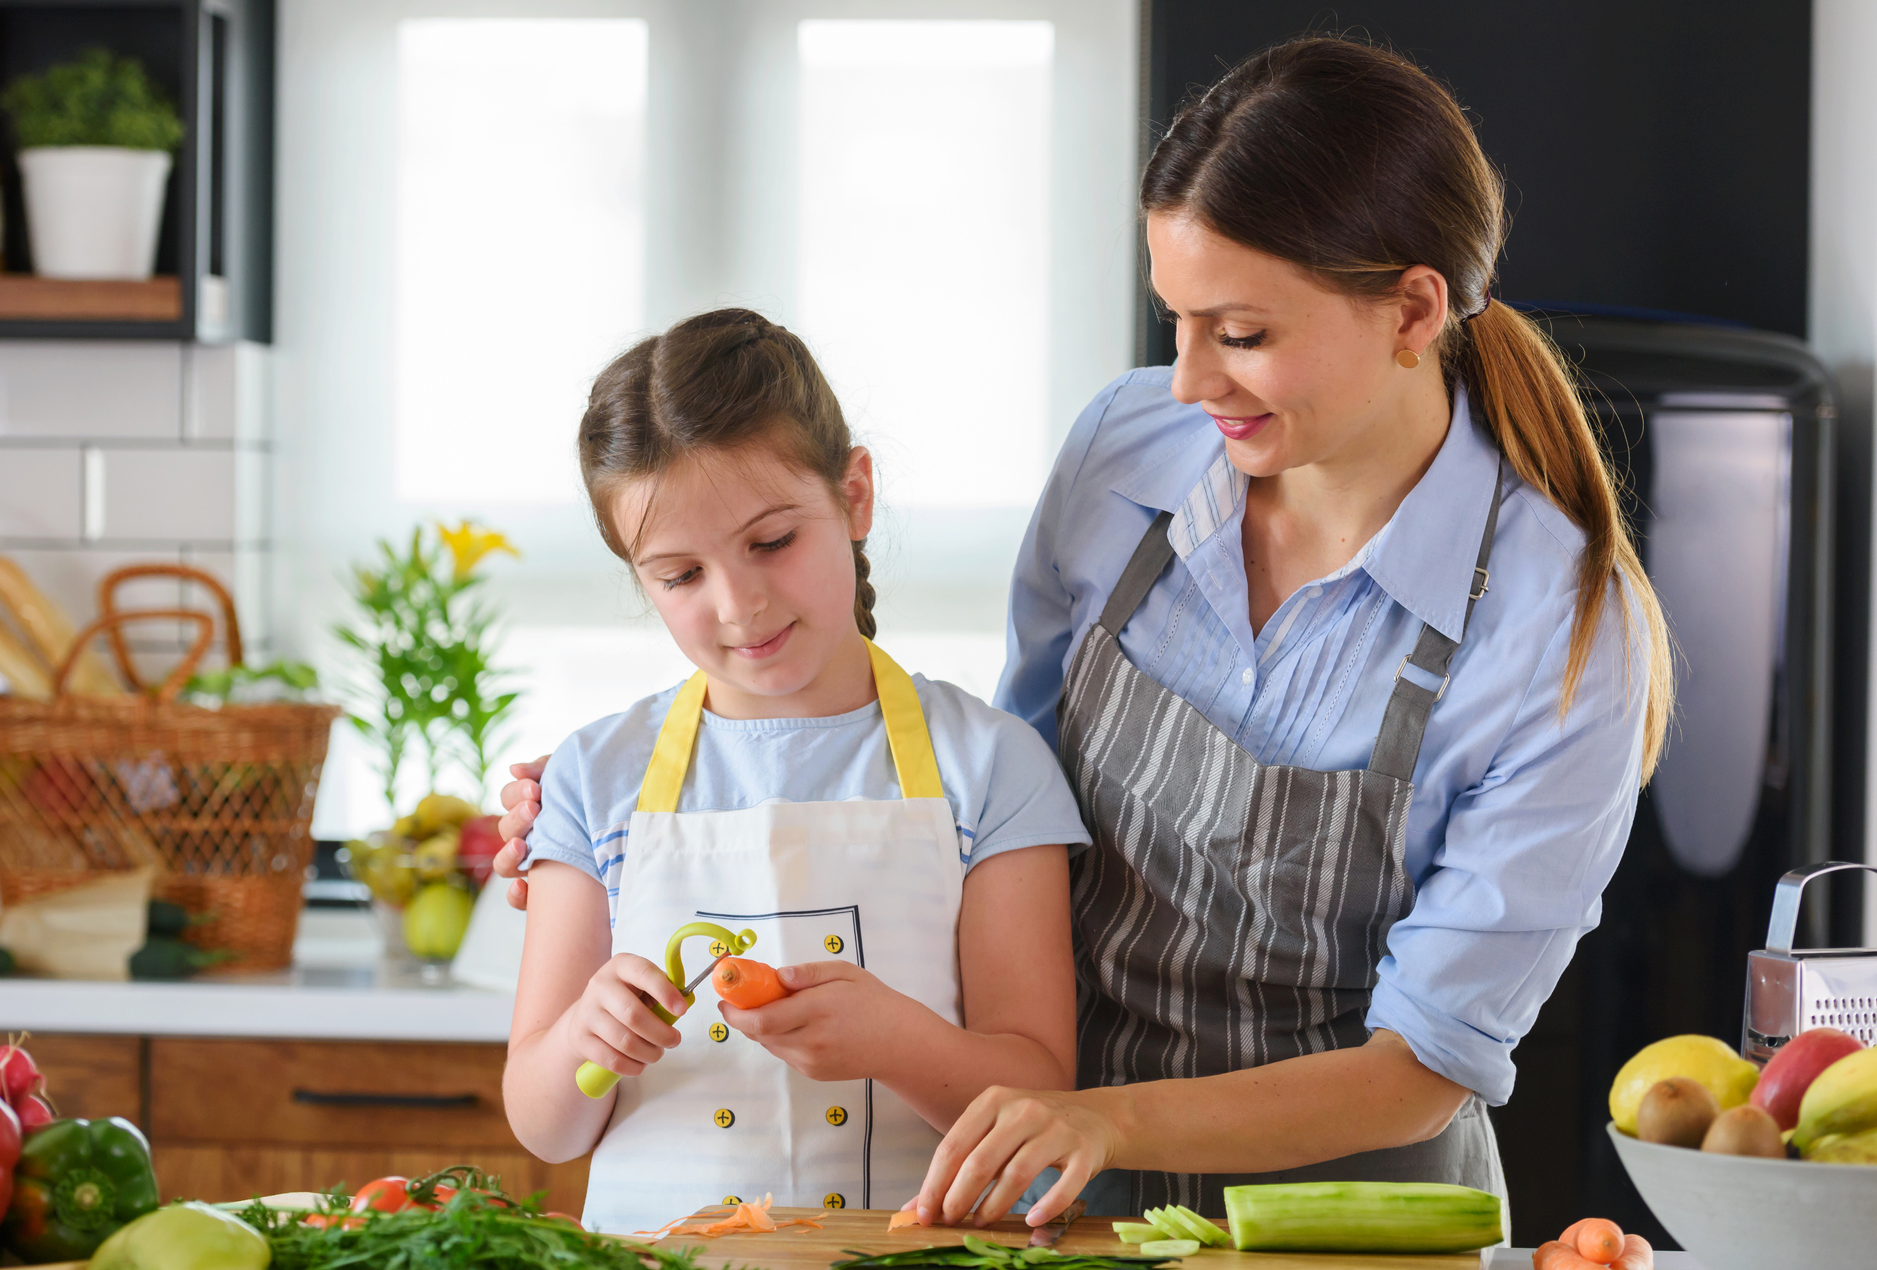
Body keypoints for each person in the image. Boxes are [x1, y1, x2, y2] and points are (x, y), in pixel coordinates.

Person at [496, 35, 1672, 1229]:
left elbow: (1424, 1065)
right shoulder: (1128, 447)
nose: (1185, 380)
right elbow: (1011, 797)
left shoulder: (1558, 626)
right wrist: (630, 806)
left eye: (1242, 333)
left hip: (1341, 1218)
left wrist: (1111, 1116)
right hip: (1055, 1186)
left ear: (1413, 308)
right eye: (1176, 320)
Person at [499, 309, 1087, 1235]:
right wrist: (586, 1038)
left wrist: (894, 1039)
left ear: (853, 495)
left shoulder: (993, 766)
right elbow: (545, 1128)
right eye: (679, 575)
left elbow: (1045, 1097)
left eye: (771, 542)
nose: (739, 604)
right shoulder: (591, 778)